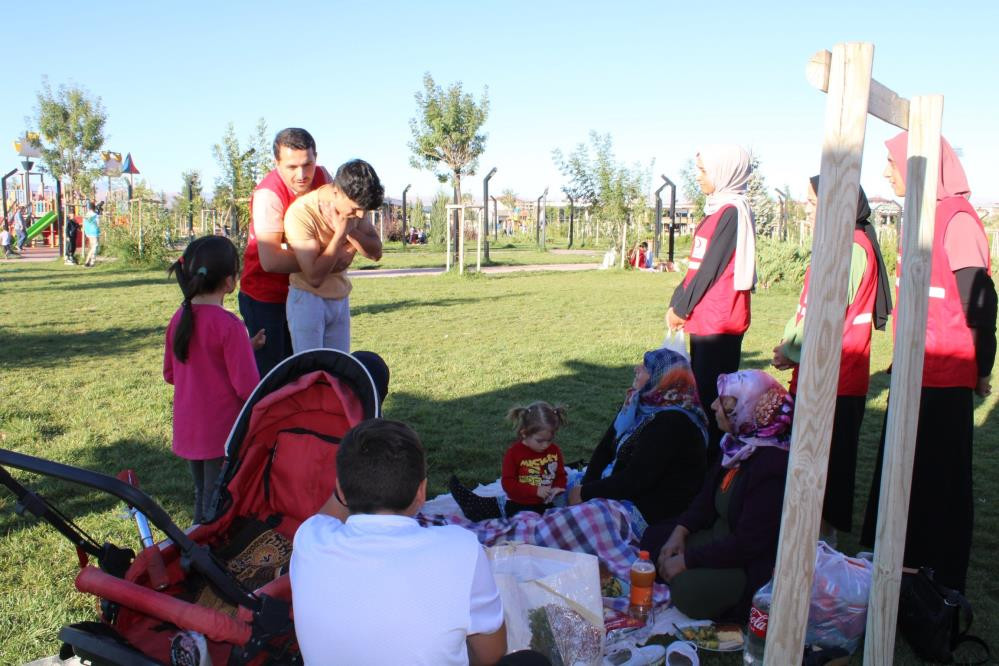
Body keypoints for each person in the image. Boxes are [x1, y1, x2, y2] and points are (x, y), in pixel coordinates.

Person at [861, 133, 997, 593]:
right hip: (917, 373)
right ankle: (900, 561)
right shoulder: (922, 217)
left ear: (920, 167)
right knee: (904, 471)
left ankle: (936, 581)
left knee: (939, 478)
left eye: (891, 163)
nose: (885, 173)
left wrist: (981, 369)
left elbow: (979, 305)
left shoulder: (956, 219)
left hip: (944, 375)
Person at [290, 419, 511, 666]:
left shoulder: (309, 538)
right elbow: (492, 655)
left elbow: (327, 515)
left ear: (340, 490)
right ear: (421, 492)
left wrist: (349, 485)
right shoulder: (462, 549)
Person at [771, 176, 892, 545]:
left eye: (813, 201)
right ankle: (809, 540)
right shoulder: (839, 244)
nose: (808, 208)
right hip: (822, 371)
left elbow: (830, 311)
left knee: (829, 466)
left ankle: (822, 548)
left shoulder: (853, 248)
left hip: (836, 376)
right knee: (813, 462)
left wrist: (791, 349)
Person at [640, 370, 794, 621]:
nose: (714, 406)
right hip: (719, 538)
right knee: (656, 541)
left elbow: (748, 544)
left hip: (745, 561)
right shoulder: (738, 443)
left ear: (751, 409)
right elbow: (705, 498)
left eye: (726, 403)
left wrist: (688, 560)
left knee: (686, 590)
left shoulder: (772, 466)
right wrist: (680, 532)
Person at [164, 236, 265, 523]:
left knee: (202, 493)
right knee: (215, 499)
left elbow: (171, 373)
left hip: (189, 428)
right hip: (220, 432)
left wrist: (247, 347)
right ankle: (204, 551)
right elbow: (247, 388)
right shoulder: (229, 325)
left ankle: (196, 544)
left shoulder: (178, 318)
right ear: (231, 282)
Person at [666, 146, 755, 464]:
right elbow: (695, 265)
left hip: (719, 321)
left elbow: (711, 268)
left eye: (704, 170)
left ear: (724, 172)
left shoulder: (732, 211)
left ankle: (714, 469)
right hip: (703, 317)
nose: (699, 176)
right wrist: (677, 300)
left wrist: (682, 308)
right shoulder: (717, 210)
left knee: (713, 399)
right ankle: (701, 465)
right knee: (702, 397)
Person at [565, 348, 709, 525]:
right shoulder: (638, 404)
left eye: (645, 367)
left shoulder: (673, 423)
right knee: (551, 489)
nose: (636, 368)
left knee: (565, 524)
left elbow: (637, 478)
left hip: (645, 510)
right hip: (617, 487)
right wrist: (585, 487)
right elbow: (605, 448)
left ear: (663, 379)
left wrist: (585, 493)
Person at [239, 128, 331, 376]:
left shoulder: (323, 177)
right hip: (266, 297)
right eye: (291, 167)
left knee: (308, 368)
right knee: (273, 376)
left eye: (307, 164)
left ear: (316, 158)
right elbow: (270, 260)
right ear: (276, 162)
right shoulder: (269, 194)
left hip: (305, 290)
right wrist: (323, 260)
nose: (302, 175)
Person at [283, 159, 384, 352]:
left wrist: (350, 233)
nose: (361, 216)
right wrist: (339, 237)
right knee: (311, 371)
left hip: (340, 296)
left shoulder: (355, 210)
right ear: (336, 192)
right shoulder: (301, 213)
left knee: (338, 372)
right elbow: (314, 277)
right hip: (307, 301)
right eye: (355, 209)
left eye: (364, 209)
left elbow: (376, 252)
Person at [449, 401, 569, 520]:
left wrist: (558, 487)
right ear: (524, 433)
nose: (545, 445)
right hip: (521, 502)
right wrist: (535, 490)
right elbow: (508, 483)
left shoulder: (554, 450)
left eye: (550, 440)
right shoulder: (514, 453)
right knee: (516, 516)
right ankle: (474, 505)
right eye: (540, 441)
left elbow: (560, 475)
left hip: (547, 503)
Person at [82, 202, 100, 267]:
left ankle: (87, 262)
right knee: (95, 247)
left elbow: (84, 224)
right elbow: (98, 224)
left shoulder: (86, 215)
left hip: (88, 232)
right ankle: (91, 262)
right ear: (94, 208)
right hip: (95, 232)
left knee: (92, 247)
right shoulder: (96, 215)